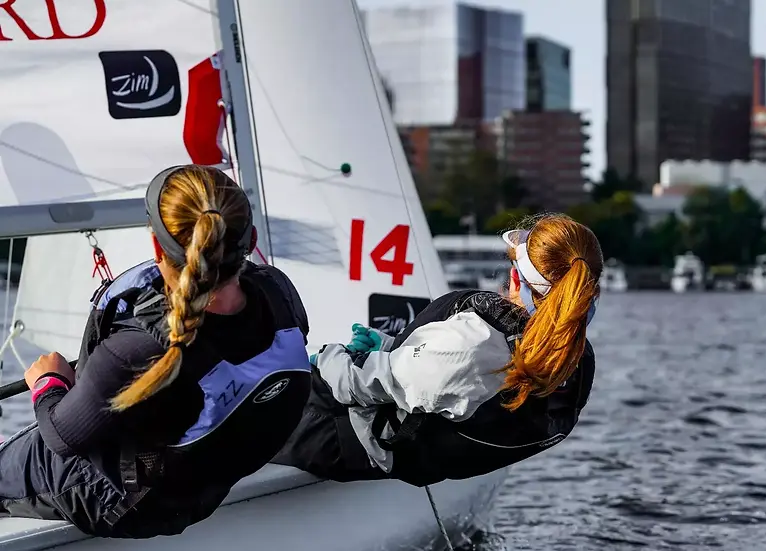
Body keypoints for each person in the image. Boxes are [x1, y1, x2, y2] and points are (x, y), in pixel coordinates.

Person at [0, 165, 312, 538]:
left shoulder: (136, 349)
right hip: (204, 486)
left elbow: (62, 437)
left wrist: (48, 382)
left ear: (156, 248)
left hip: (126, 503)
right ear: (251, 238)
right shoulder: (280, 294)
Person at [273, 213, 601, 487]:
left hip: (342, 435)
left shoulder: (472, 344)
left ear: (516, 279)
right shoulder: (573, 357)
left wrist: (329, 355)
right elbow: (449, 382)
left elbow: (355, 385)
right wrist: (388, 347)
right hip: (427, 447)